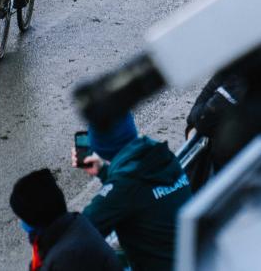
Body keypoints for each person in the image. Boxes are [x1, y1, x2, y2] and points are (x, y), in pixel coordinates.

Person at [74, 113, 191, 271]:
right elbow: (140, 192)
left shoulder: (125, 187)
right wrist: (104, 172)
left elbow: (81, 231)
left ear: (99, 146)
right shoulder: (164, 157)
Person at [9, 169, 121, 271]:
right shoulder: (72, 226)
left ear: (35, 218)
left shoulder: (67, 257)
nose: (21, 223)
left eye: (23, 217)